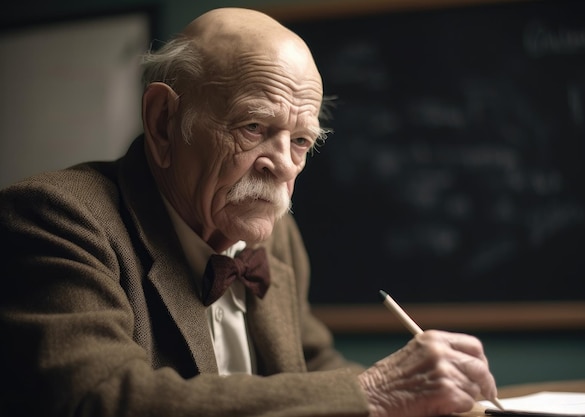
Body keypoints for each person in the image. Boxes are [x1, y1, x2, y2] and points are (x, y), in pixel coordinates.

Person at [0, 7, 499, 417]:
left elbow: (311, 364)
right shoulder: (56, 218)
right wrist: (370, 392)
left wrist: (422, 397)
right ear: (163, 122)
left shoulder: (277, 237)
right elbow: (101, 400)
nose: (283, 165)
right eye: (254, 127)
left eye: (301, 141)